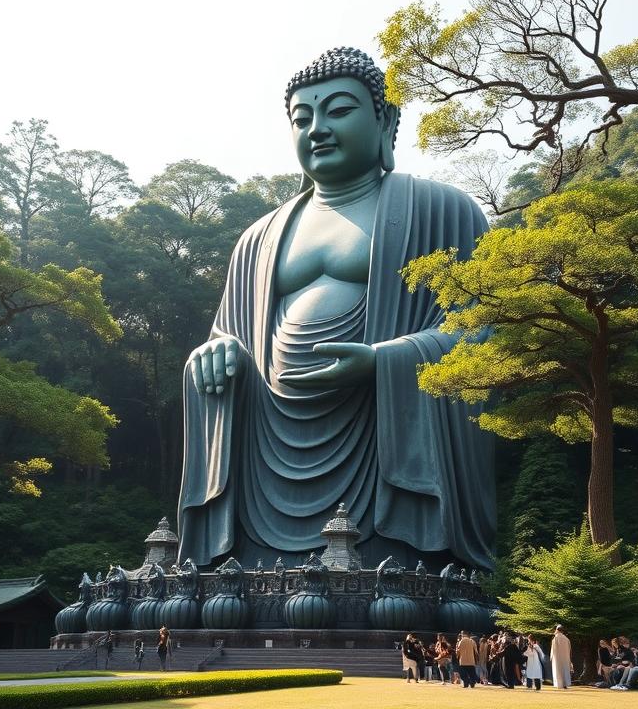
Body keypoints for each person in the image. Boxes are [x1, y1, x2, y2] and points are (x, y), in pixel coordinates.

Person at [177, 47, 495, 571]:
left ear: (386, 120)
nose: (318, 129)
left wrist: (386, 362)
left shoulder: (442, 210)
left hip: (379, 443)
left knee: (402, 587)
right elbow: (225, 334)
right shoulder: (256, 239)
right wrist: (214, 356)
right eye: (302, 119)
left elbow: (485, 332)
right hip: (267, 445)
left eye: (339, 110)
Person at [550, 624, 573, 689]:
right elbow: (569, 649)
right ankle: (565, 684)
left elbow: (553, 650)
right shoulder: (566, 639)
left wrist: (552, 657)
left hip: (557, 658)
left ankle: (559, 684)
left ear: (557, 630)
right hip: (565, 658)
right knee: (565, 670)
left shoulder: (555, 638)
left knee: (558, 670)